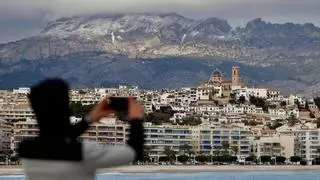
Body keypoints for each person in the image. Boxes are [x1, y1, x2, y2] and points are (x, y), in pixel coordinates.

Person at [17, 79, 144, 180]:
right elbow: (134, 152)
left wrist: (89, 119)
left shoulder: (27, 149)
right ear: (66, 109)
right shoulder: (84, 152)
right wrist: (136, 118)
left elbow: (56, 139)